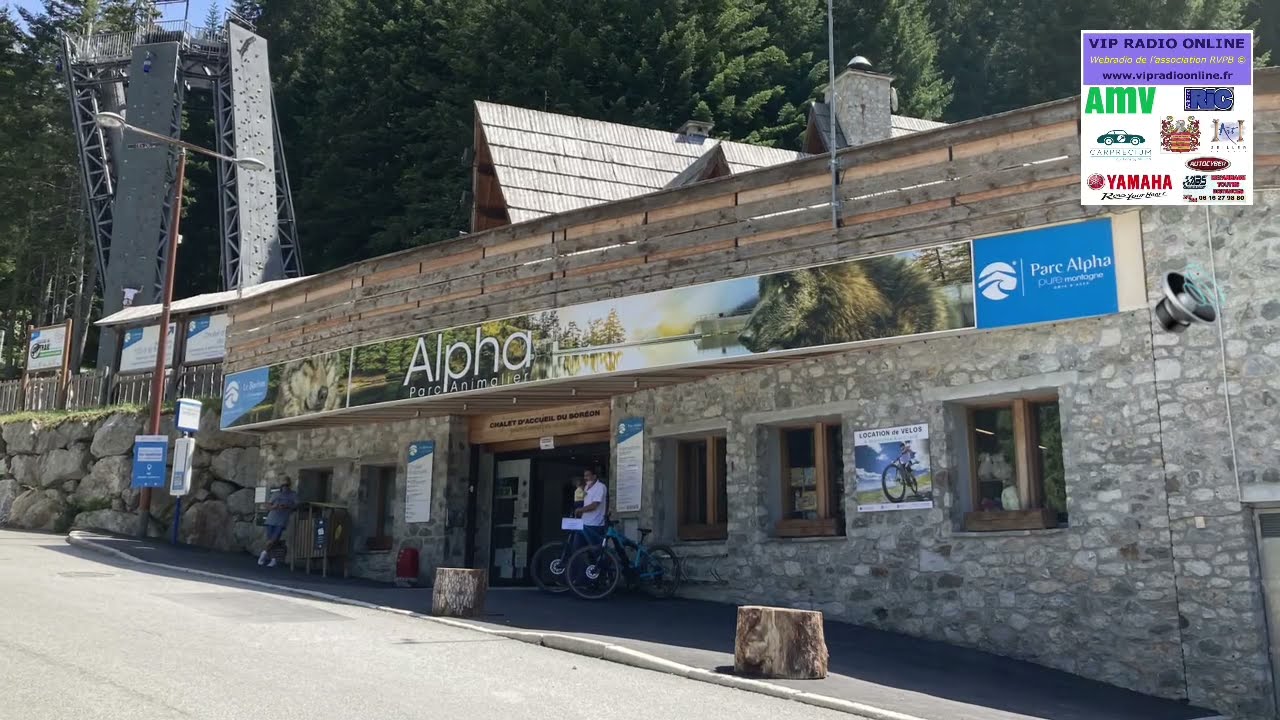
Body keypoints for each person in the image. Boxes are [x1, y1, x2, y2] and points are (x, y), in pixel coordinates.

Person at [258, 479, 299, 567]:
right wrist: (274, 506)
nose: (285, 487)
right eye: (283, 485)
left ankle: (264, 553)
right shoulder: (276, 494)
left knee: (274, 539)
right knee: (272, 540)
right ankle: (273, 559)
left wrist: (287, 506)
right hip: (271, 519)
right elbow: (268, 505)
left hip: (282, 520)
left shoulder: (293, 495)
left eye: (287, 485)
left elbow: (296, 505)